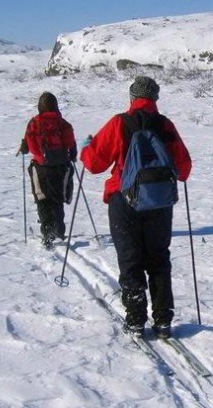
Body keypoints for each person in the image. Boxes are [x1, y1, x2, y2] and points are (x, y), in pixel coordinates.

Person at [80, 76, 192, 338]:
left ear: (131, 97)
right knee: (158, 258)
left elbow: (95, 163)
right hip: (160, 201)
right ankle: (163, 319)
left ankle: (135, 319)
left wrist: (86, 148)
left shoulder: (120, 122)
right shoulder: (165, 125)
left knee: (130, 258)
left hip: (124, 198)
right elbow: (184, 168)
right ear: (155, 98)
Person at [19, 92, 77, 249]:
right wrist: (72, 155)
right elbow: (70, 142)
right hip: (61, 166)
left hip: (41, 167)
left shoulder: (34, 123)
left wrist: (25, 148)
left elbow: (29, 143)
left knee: (43, 199)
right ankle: (59, 229)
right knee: (57, 198)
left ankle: (47, 232)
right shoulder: (62, 123)